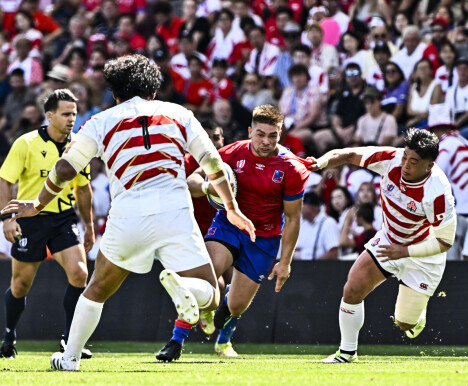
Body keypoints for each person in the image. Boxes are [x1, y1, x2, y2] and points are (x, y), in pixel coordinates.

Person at [0, 54, 255, 371]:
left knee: (96, 290)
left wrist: (36, 204)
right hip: (174, 212)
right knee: (214, 296)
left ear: (115, 92)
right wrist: (231, 208)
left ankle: (69, 359)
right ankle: (186, 289)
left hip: (127, 216)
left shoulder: (100, 121)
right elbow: (214, 165)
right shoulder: (180, 114)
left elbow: (65, 169)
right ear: (153, 90)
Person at [156, 104, 310, 359]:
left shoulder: (292, 168)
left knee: (235, 308)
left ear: (280, 135)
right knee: (207, 273)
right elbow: (191, 180)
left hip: (263, 240)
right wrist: (208, 187)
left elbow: (293, 219)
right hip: (229, 226)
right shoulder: (230, 153)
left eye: (273, 135)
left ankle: (217, 321)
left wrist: (285, 262)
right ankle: (175, 342)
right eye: (260, 134)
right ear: (250, 131)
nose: (266, 141)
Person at [307, 128, 456, 363]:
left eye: (413, 162)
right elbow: (348, 154)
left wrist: (404, 251)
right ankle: (347, 353)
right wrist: (321, 162)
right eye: (405, 156)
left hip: (423, 253)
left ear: (428, 166)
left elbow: (445, 241)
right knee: (352, 288)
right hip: (389, 239)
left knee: (404, 322)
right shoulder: (391, 158)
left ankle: (417, 314)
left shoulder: (438, 193)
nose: (405, 164)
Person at [0, 89, 94, 359]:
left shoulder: (79, 146)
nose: (71, 119)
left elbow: (83, 188)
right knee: (20, 285)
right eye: (65, 114)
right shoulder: (26, 143)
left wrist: (89, 226)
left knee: (80, 274)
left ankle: (69, 341)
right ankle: (9, 335)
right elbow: (4, 180)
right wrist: (7, 218)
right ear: (49, 115)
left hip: (64, 218)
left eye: (74, 114)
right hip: (31, 220)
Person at [428, 104, 468, 261]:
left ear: (437, 131)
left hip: (458, 210)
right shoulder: (466, 142)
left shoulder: (445, 146)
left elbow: (434, 175)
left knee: (453, 263)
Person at [294, 192, 339, 260]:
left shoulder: (328, 223)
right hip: (302, 267)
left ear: (311, 206)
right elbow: (296, 249)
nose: (299, 209)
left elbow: (333, 253)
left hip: (322, 268)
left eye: (301, 205)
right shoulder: (303, 224)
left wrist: (314, 264)